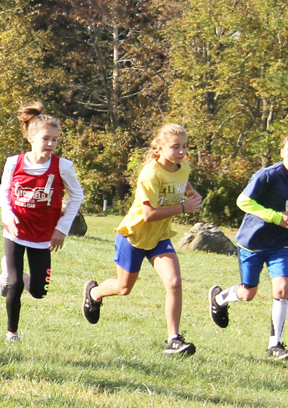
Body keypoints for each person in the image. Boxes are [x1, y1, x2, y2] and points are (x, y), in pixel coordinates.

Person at [81, 123, 203, 356]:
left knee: (175, 283)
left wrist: (190, 192)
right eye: (175, 146)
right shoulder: (151, 174)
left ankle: (173, 340)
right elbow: (147, 215)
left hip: (159, 237)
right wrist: (183, 208)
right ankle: (94, 293)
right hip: (133, 236)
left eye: (185, 146)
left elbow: (181, 180)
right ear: (158, 148)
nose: (181, 151)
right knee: (124, 288)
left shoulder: (183, 165)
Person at [208, 130, 288, 361]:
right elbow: (243, 201)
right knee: (248, 294)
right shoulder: (267, 175)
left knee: (282, 287)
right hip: (252, 242)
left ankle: (275, 345)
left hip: (280, 244)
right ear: (281, 151)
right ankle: (219, 299)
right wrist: (277, 217)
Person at [0, 102, 84, 342]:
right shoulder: (14, 162)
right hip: (16, 230)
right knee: (14, 285)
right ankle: (12, 333)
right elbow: (3, 193)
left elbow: (77, 195)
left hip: (45, 236)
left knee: (38, 291)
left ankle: (14, 276)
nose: (51, 144)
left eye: (55, 140)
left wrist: (62, 228)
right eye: (46, 139)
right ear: (31, 138)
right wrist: (8, 215)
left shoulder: (63, 167)